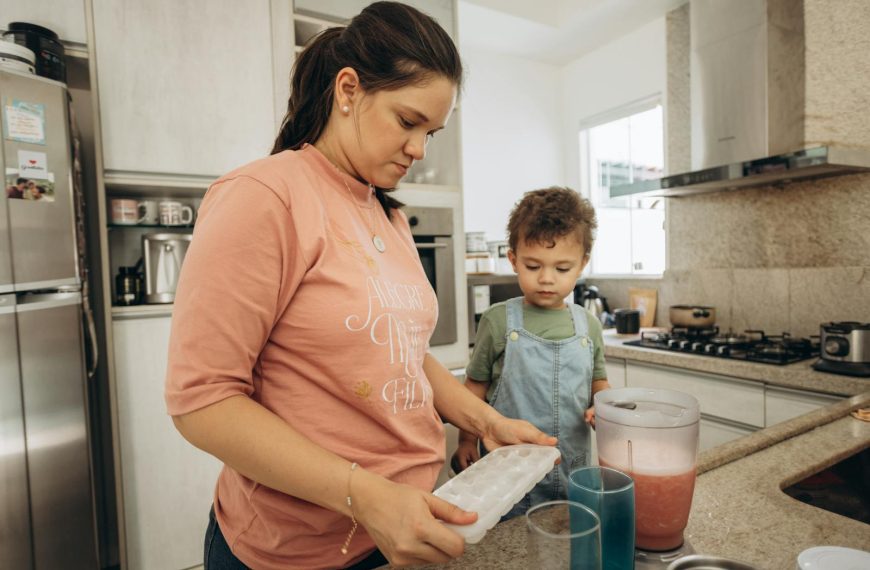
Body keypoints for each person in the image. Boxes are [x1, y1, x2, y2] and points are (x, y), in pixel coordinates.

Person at [164, 3, 556, 570]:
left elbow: (404, 358)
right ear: (348, 90)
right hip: (298, 550)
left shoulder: (388, 215)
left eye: (432, 132)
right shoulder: (264, 197)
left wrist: (485, 421)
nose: (420, 150)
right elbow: (202, 401)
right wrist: (370, 499)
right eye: (407, 121)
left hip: (409, 527)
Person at [451, 187, 612, 520]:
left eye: (562, 268)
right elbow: (473, 390)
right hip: (508, 477)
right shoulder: (498, 321)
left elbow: (599, 382)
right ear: (513, 260)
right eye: (533, 265)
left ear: (582, 264)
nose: (546, 279)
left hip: (572, 471)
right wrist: (466, 440)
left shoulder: (589, 327)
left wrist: (603, 407)